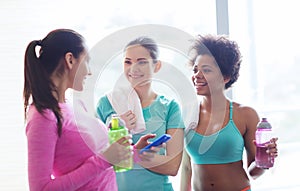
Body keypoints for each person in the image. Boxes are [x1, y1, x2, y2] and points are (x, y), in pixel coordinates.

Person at [23, 29, 158, 191]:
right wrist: (104, 160)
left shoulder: (71, 106)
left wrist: (134, 153)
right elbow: (41, 188)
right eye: (86, 61)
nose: (89, 71)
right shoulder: (43, 117)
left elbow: (99, 161)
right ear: (70, 60)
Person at [180, 34, 279, 191]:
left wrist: (265, 158)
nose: (197, 76)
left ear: (225, 77)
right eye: (195, 69)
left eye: (206, 70)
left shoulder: (246, 115)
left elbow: (254, 172)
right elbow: (186, 168)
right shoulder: (187, 113)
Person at [96, 36, 185, 191]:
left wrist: (134, 152)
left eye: (142, 62)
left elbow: (172, 166)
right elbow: (94, 158)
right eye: (128, 62)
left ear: (157, 66)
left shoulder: (170, 107)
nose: (133, 68)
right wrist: (115, 129)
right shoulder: (107, 103)